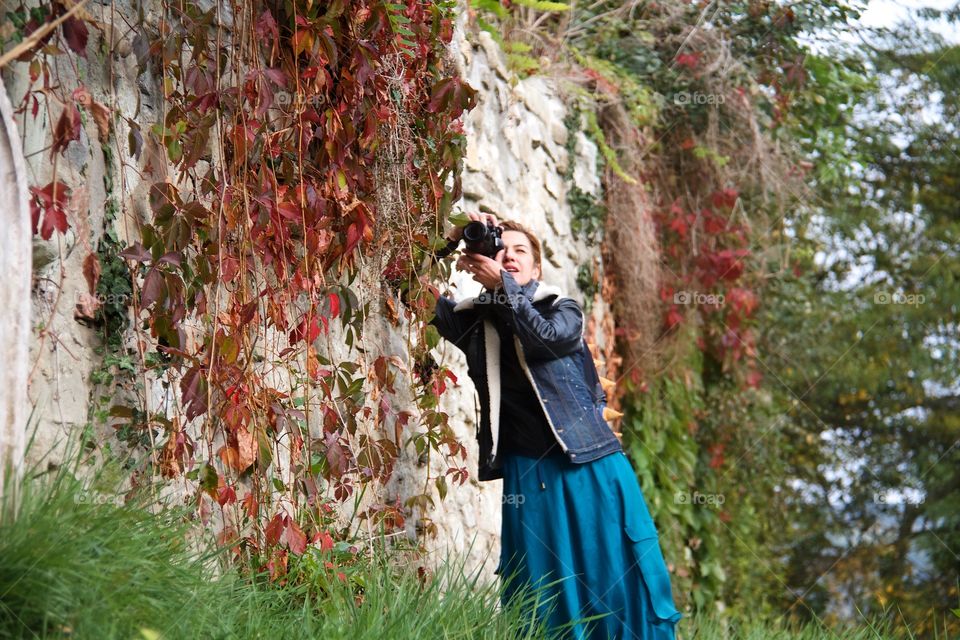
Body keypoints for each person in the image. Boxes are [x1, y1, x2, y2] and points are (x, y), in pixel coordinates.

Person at [428, 212, 684, 639]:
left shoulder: (563, 310)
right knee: (542, 589)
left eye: (520, 251)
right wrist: (450, 239)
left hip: (592, 466)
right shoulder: (472, 321)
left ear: (536, 268)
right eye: (501, 248)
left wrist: (503, 289)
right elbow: (406, 283)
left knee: (618, 578)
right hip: (529, 473)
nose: (509, 256)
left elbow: (543, 339)